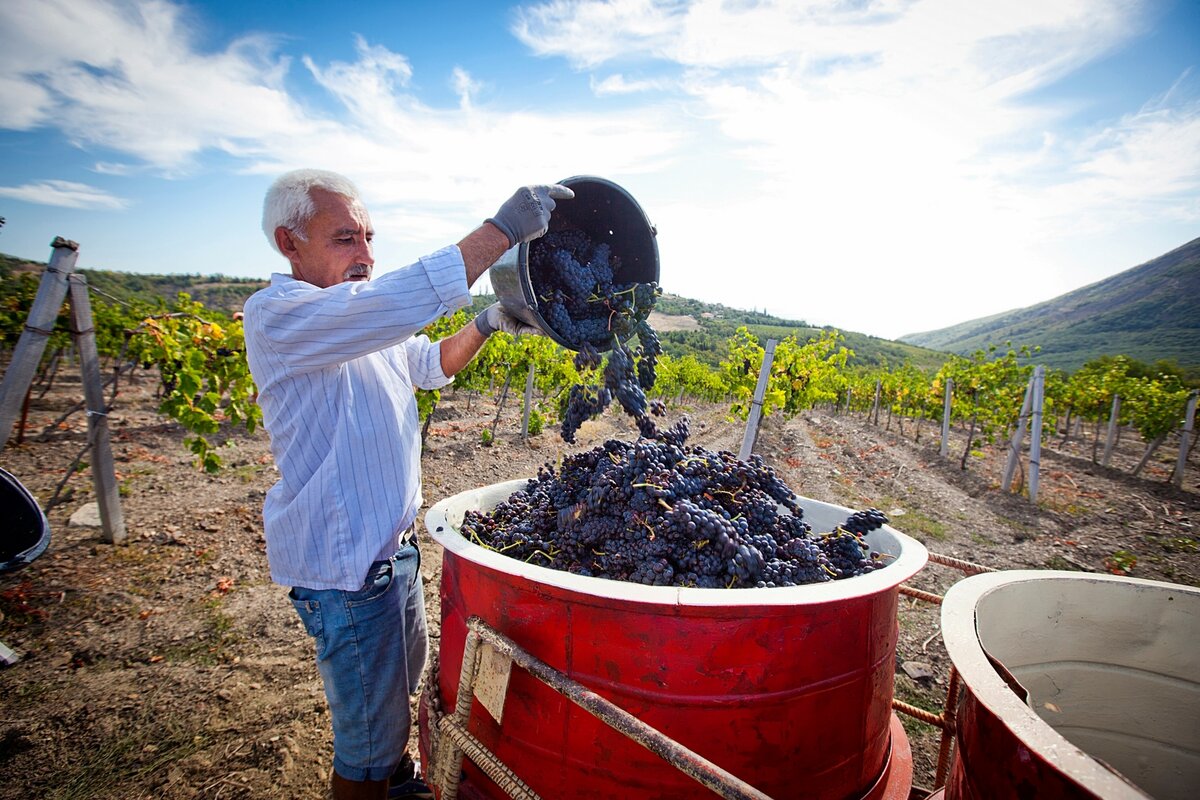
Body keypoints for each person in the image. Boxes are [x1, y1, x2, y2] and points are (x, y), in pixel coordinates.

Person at [243, 169, 572, 800]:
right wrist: (501, 232)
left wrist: (489, 321)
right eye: (344, 238)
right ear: (289, 243)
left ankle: (396, 780)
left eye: (368, 238)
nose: (365, 255)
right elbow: (390, 304)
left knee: (397, 695)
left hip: (392, 556)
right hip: (345, 572)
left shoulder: (359, 322)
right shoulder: (281, 315)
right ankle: (377, 780)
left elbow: (426, 364)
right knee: (366, 743)